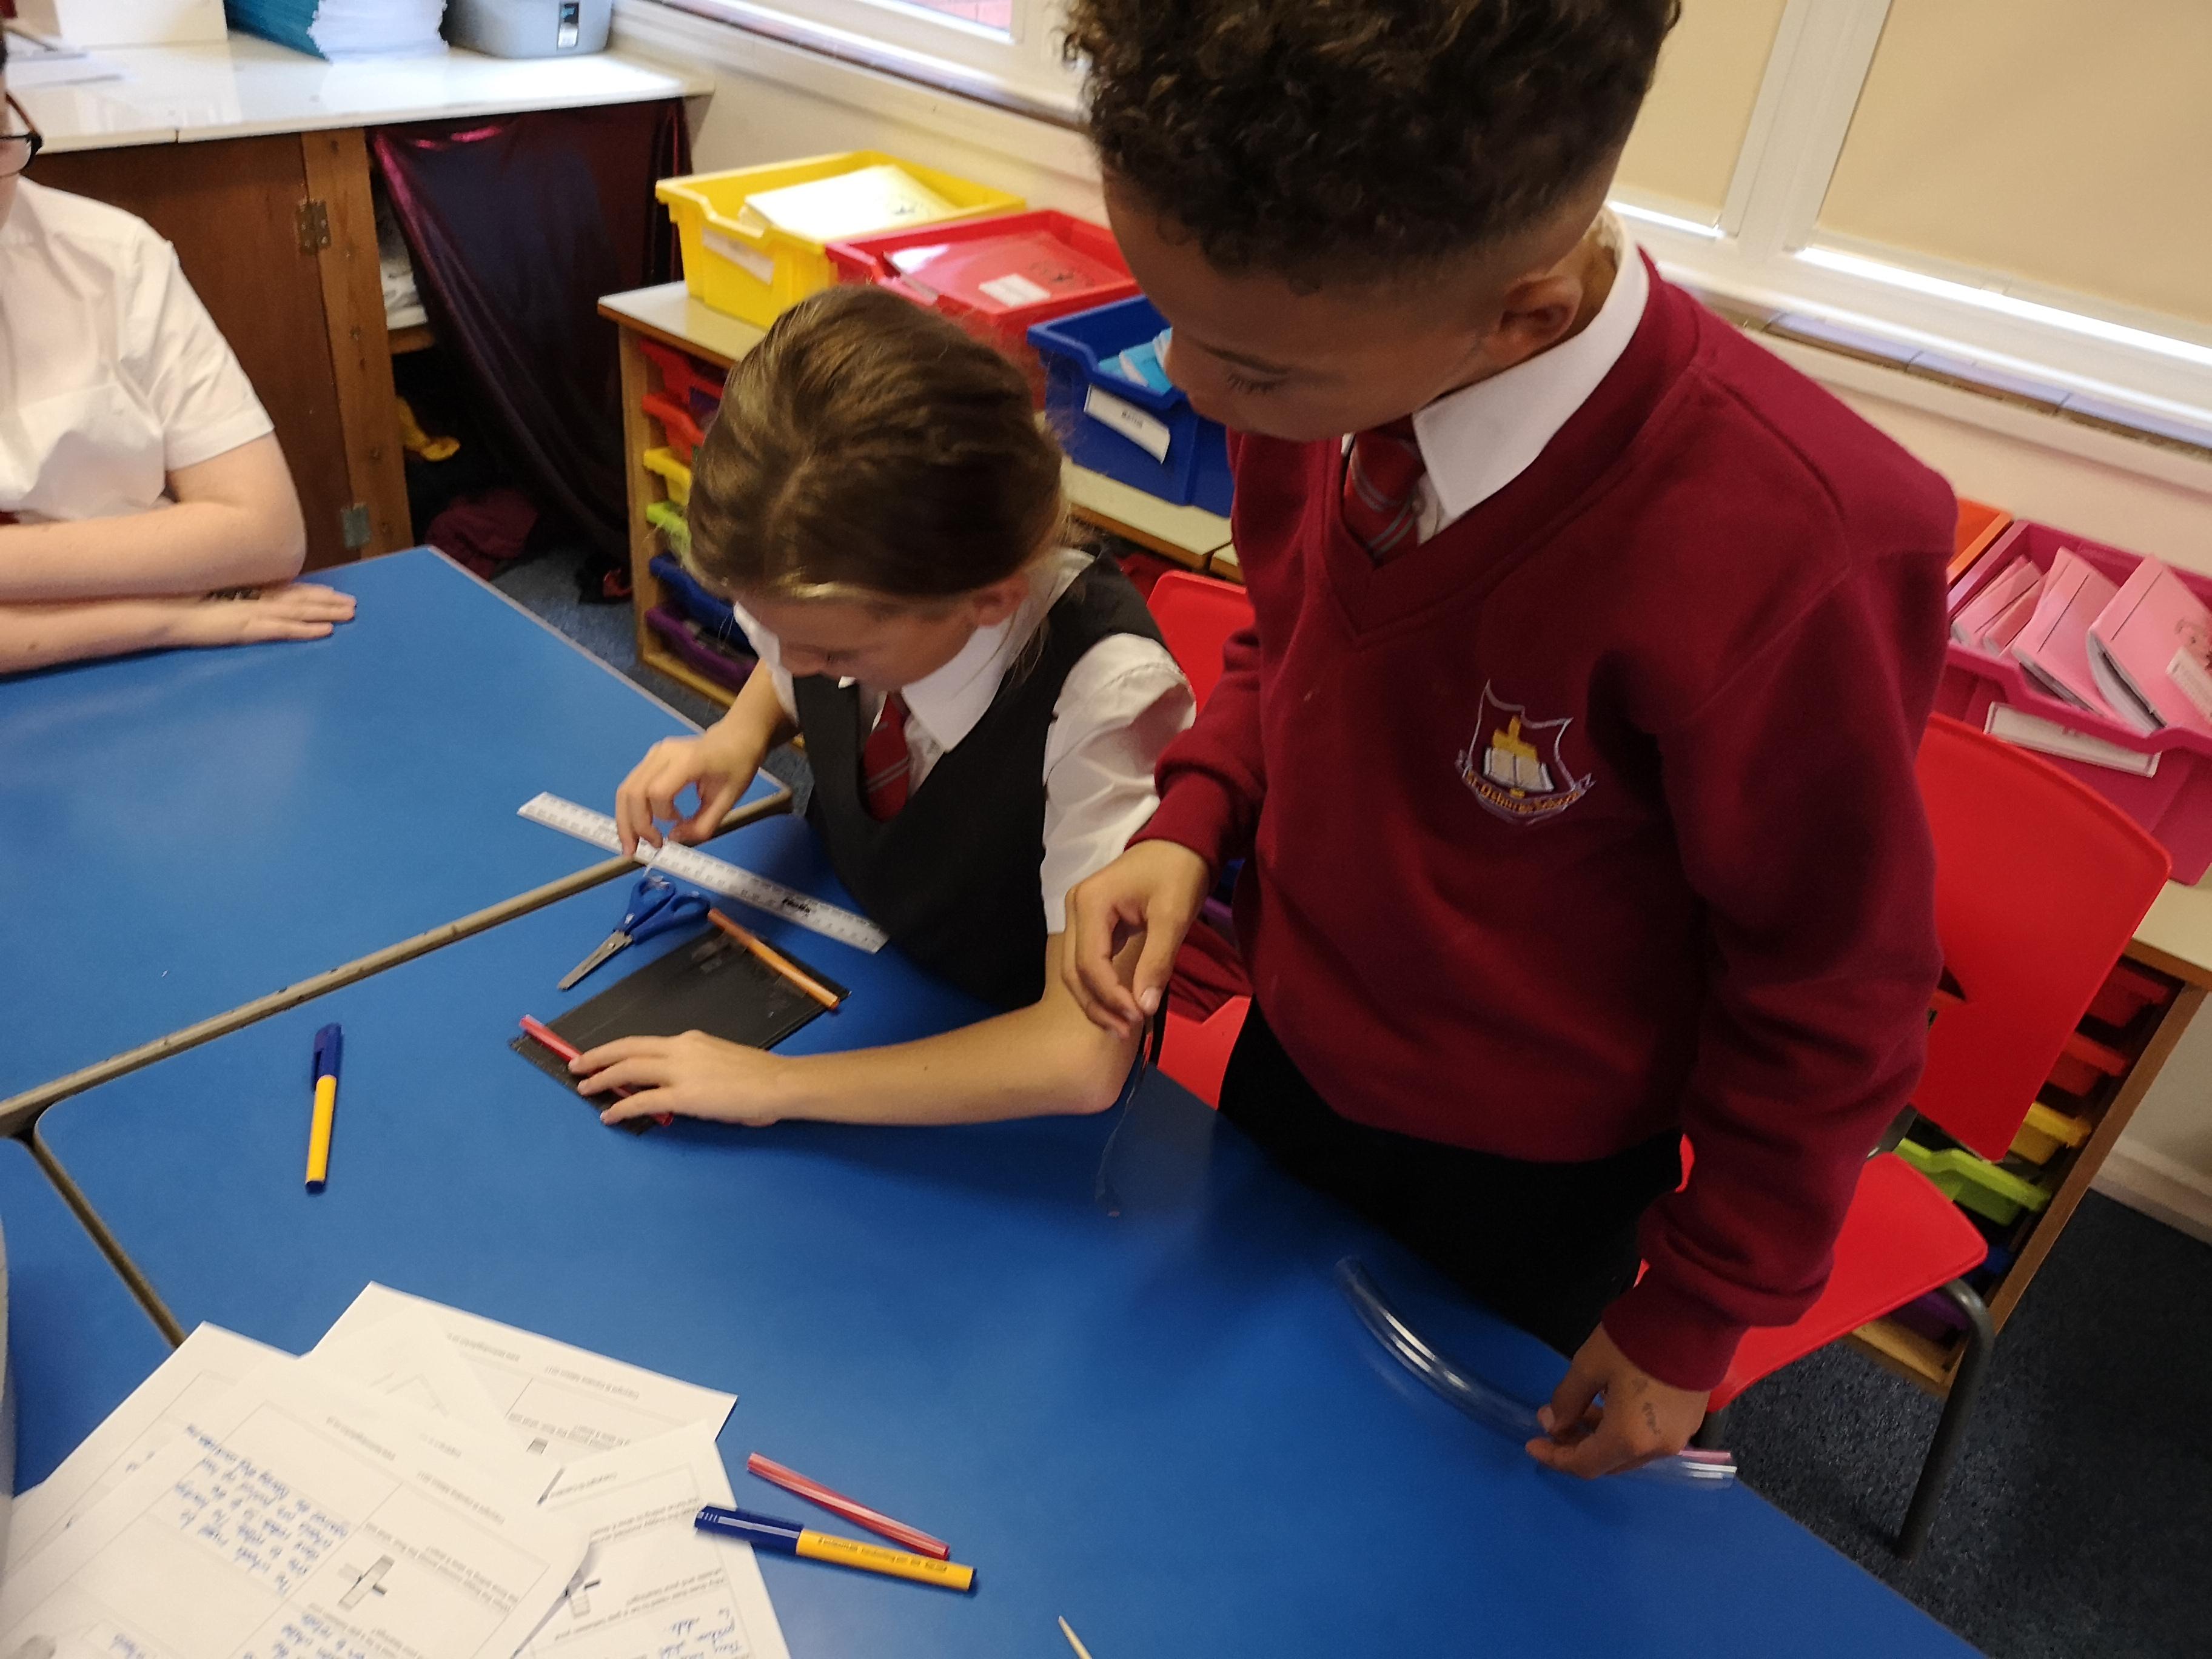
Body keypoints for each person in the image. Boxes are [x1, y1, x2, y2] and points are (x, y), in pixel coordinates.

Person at [1057, 0, 1955, 1479]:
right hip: (1297, 1048)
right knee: (1226, 1459)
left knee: (1430, 1515)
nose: (1191, 389)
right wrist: (1194, 815)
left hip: (1536, 1170)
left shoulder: (1796, 539)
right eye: (1174, 321)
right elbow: (1298, 636)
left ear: (1524, 315)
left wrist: (1698, 1309)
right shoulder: (1332, 351)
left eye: (1255, 372)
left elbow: (1832, 980)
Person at [574, 285, 1193, 1128]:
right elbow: (796, 654)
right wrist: (740, 732)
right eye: (772, 630)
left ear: (988, 599)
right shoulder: (837, 599)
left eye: (835, 657)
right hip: (859, 946)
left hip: (995, 1069)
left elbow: (1079, 1057)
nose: (795, 664)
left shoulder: (1109, 699)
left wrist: (776, 1087)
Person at [0, 38, 352, 674]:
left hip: (158, 661)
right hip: (170, 623)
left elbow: (266, 533)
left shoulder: (112, 254)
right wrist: (167, 618)